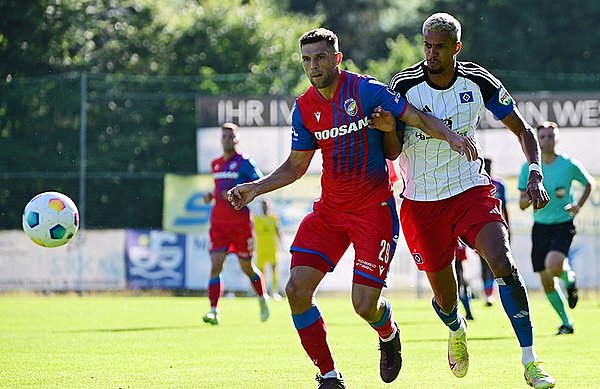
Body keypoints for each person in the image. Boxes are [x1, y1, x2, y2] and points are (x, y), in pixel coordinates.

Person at [227, 28, 476, 389]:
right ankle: (329, 376)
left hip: (373, 210)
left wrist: (452, 137)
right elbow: (296, 167)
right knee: (296, 290)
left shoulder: (366, 90)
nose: (313, 66)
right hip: (329, 212)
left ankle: (388, 332)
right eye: (307, 60)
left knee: (364, 305)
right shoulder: (304, 108)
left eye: (321, 58)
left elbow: (416, 119)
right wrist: (255, 187)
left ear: (337, 58)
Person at [386, 12, 556, 388]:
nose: (431, 54)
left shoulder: (478, 81)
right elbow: (393, 148)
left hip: (470, 190)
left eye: (440, 47)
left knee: (503, 262)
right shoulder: (403, 84)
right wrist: (390, 130)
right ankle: (456, 327)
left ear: (456, 48)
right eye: (427, 46)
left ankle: (530, 360)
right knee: (446, 299)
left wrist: (535, 173)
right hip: (421, 201)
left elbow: (523, 130)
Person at [518, 121, 595, 335]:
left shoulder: (568, 164)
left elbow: (589, 183)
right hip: (540, 226)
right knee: (546, 281)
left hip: (562, 225)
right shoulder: (529, 168)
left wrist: (578, 205)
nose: (546, 140)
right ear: (538, 140)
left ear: (557, 138)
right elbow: (522, 204)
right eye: (542, 137)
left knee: (553, 265)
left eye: (550, 136)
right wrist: (529, 197)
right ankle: (566, 323)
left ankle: (570, 280)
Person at [202, 122, 270, 326]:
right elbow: (218, 191)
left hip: (240, 225)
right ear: (220, 139)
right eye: (224, 136)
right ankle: (214, 311)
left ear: (237, 139)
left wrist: (249, 195)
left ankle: (262, 298)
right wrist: (211, 196)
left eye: (230, 136)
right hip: (219, 224)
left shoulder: (245, 163)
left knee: (247, 267)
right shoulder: (215, 164)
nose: (227, 140)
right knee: (215, 266)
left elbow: (260, 184)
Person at [480, 157, 511, 307]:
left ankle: (503, 292)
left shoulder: (499, 184)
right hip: (480, 229)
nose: (486, 168)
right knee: (485, 263)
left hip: (498, 228)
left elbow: (504, 207)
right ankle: (489, 294)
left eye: (489, 165)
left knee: (500, 260)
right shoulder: (476, 183)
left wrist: (508, 227)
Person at [254, 198, 284, 300]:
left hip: (272, 248)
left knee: (274, 269)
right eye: (263, 205)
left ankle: (274, 292)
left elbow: (278, 231)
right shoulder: (256, 219)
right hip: (260, 249)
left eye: (266, 205)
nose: (264, 207)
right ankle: (262, 293)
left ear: (268, 206)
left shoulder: (273, 218)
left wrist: (281, 243)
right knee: (260, 272)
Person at [454, 241, 474, 320]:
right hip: (457, 255)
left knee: (459, 286)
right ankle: (468, 313)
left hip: (455, 255)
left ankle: (466, 313)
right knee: (462, 283)